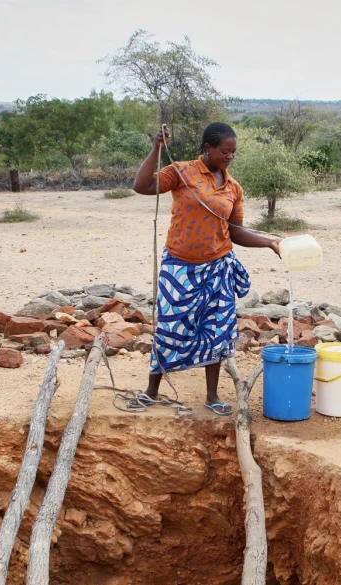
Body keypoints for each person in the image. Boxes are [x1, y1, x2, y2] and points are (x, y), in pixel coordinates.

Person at [133, 122, 281, 415]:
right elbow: (143, 186)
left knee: (217, 331)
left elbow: (235, 232)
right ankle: (152, 390)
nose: (230, 157)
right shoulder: (182, 173)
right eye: (225, 151)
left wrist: (268, 242)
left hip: (218, 268)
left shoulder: (233, 188)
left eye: (234, 152)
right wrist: (157, 148)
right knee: (169, 328)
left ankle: (212, 396)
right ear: (208, 148)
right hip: (179, 268)